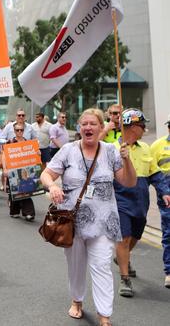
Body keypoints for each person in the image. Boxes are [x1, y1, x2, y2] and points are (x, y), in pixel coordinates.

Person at [40, 108, 136, 326]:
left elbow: (129, 182)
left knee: (101, 265)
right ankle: (77, 300)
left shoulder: (112, 151)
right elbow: (46, 173)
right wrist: (52, 186)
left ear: (101, 127)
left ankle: (104, 314)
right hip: (72, 221)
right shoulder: (67, 150)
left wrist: (127, 160)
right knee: (76, 264)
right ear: (79, 128)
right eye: (84, 124)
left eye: (93, 124)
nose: (88, 127)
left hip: (104, 221)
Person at [112, 109, 170, 297]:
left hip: (140, 201)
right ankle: (125, 279)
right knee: (124, 237)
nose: (145, 129)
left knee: (135, 235)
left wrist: (165, 191)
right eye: (142, 126)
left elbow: (155, 173)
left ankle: (123, 257)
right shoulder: (113, 148)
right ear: (131, 126)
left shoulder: (145, 148)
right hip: (120, 198)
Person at [150, 114, 170, 288]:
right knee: (169, 233)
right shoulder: (157, 146)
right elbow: (152, 172)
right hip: (167, 194)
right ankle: (169, 272)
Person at [3, 122, 36, 221]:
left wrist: (37, 153)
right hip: (12, 170)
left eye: (21, 130)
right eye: (17, 130)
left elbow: (33, 155)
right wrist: (5, 169)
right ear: (14, 131)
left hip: (24, 170)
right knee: (14, 191)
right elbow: (4, 156)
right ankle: (15, 211)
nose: (19, 132)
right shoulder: (9, 142)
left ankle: (29, 213)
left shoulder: (27, 142)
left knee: (26, 190)